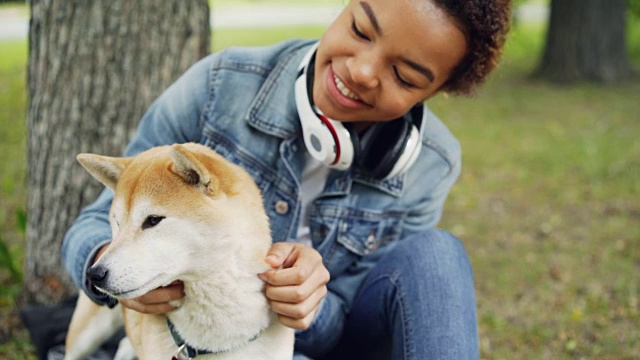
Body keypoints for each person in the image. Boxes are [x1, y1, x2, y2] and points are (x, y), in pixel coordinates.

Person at [62, 0, 511, 358]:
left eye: (403, 75)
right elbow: (92, 224)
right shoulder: (220, 85)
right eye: (360, 29)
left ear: (433, 95)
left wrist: (310, 300)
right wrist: (113, 262)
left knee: (439, 255)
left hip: (324, 339)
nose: (361, 71)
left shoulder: (433, 162)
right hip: (221, 338)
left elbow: (349, 320)